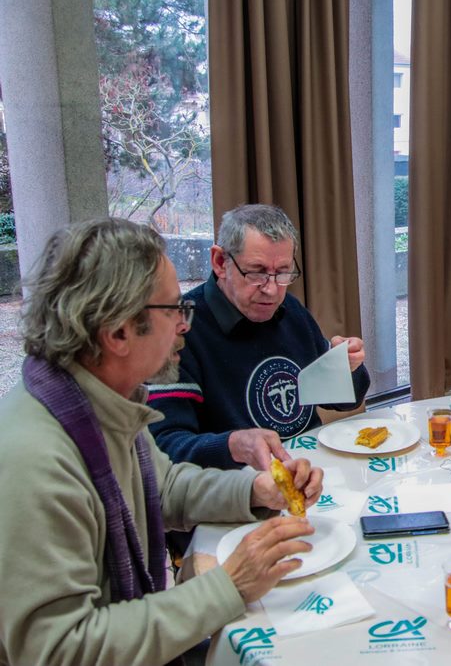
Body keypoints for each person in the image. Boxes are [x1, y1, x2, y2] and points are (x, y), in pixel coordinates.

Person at [0, 218, 323, 665]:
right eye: (173, 310)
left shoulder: (99, 401)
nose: (185, 325)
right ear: (118, 332)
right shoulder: (36, 459)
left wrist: (257, 489)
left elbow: (164, 485)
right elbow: (58, 649)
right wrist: (229, 585)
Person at [148, 204, 371, 470]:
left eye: (283, 272)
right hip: (235, 485)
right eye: (257, 272)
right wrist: (233, 445)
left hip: (310, 470)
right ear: (220, 262)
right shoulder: (181, 329)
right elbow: (164, 447)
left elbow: (343, 402)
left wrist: (345, 368)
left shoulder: (290, 312)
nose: (272, 290)